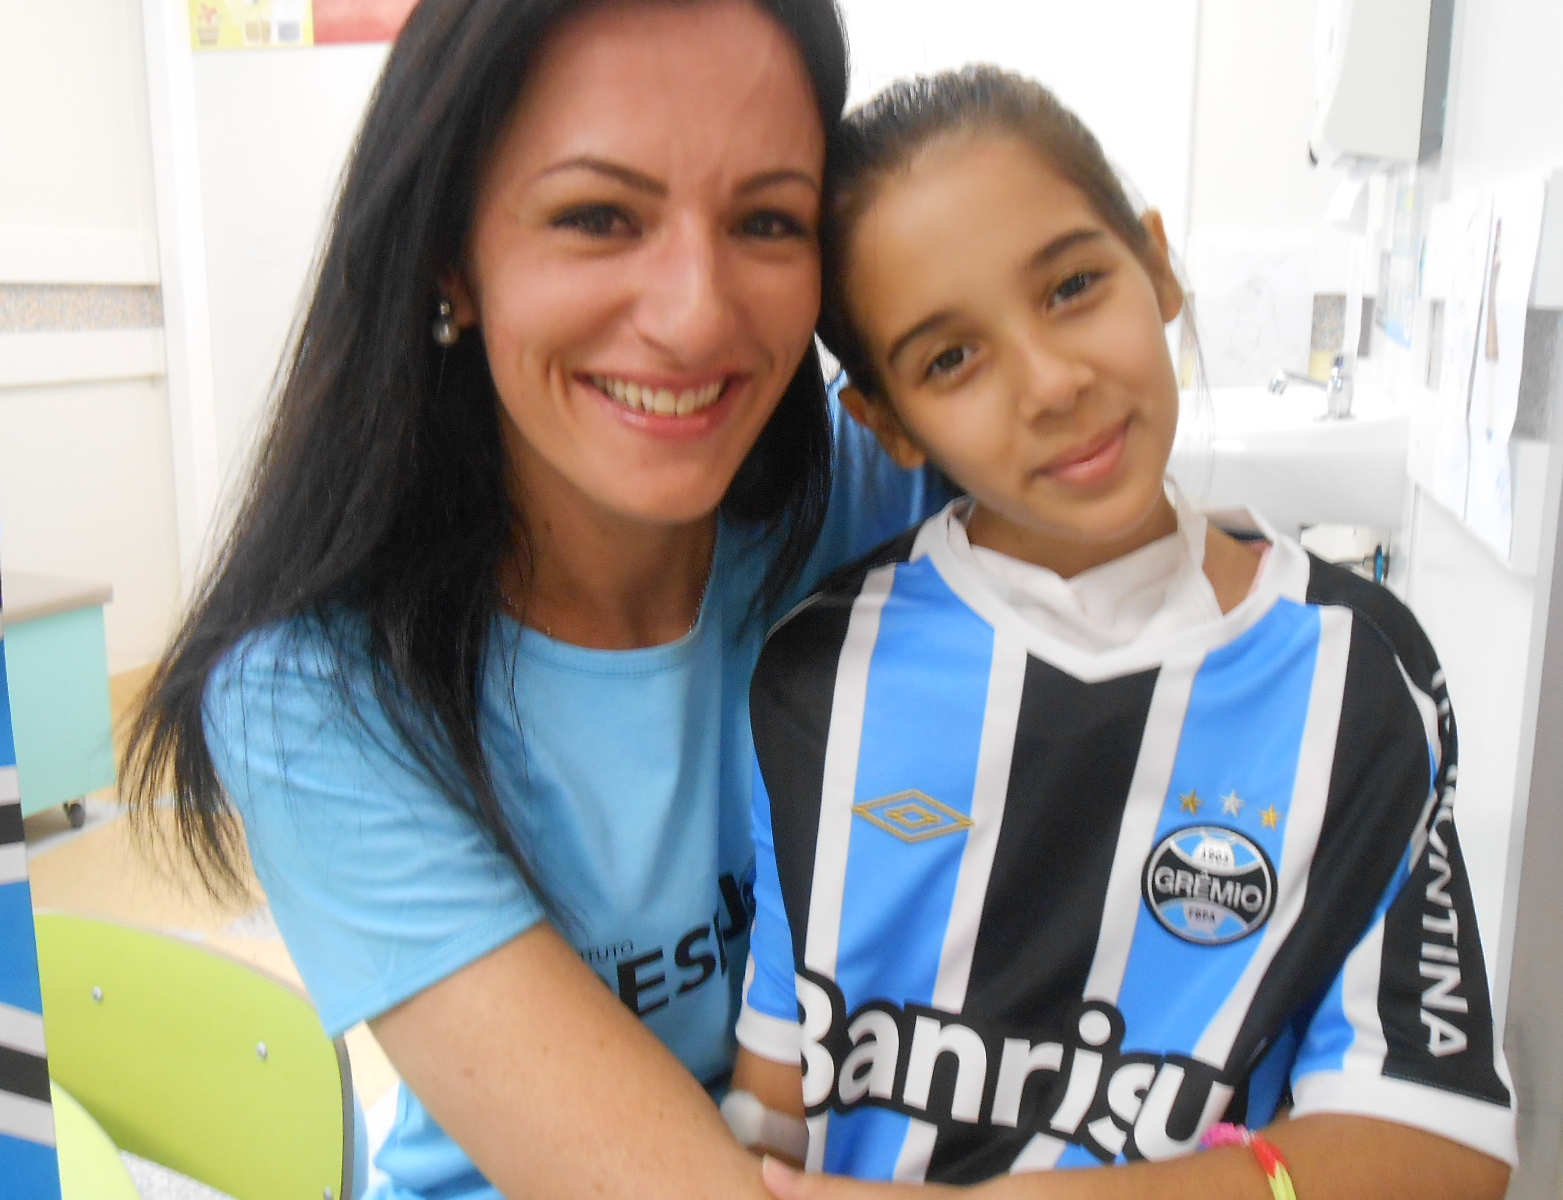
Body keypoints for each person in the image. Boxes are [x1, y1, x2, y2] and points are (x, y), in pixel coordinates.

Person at [122, 3, 953, 1199]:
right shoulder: (320, 695)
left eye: (767, 221)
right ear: (451, 254)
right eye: (598, 217)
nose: (694, 314)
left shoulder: (886, 499)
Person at [728, 67, 1516, 1200]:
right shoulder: (817, 676)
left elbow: (1440, 1144)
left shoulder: (1361, 676)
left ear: (1158, 266)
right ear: (887, 423)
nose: (1051, 383)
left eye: (1071, 287)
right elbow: (774, 1096)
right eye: (951, 359)